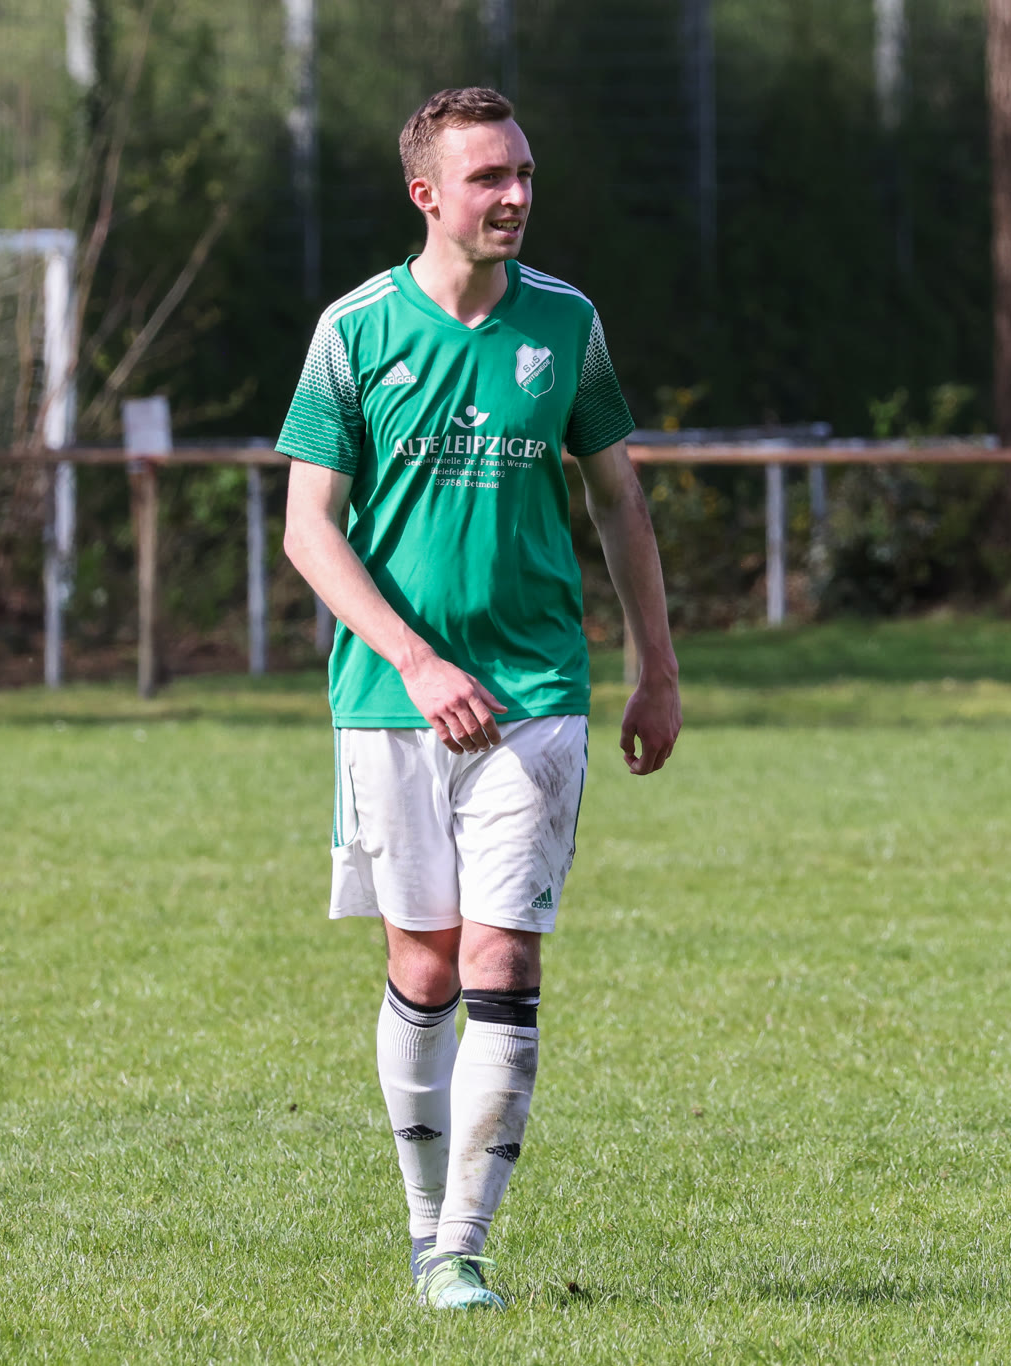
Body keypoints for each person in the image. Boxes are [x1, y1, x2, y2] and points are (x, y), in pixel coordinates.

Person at [278, 85, 680, 1311]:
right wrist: (413, 658)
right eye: (487, 177)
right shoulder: (353, 331)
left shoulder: (567, 324)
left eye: (522, 174)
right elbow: (307, 528)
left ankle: (460, 1247)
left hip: (536, 691)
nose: (513, 195)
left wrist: (656, 667)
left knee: (503, 951)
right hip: (390, 699)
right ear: (426, 194)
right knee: (426, 961)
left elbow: (617, 500)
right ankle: (422, 1225)